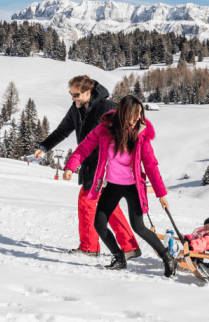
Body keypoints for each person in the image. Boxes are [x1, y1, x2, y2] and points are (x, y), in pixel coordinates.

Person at [62, 95, 176, 276]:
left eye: (140, 113)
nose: (138, 117)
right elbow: (84, 148)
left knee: (138, 227)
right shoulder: (105, 129)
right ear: (124, 112)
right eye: (135, 113)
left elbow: (151, 165)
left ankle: (168, 258)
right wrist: (70, 167)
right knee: (99, 224)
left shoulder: (141, 135)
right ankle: (119, 258)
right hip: (113, 185)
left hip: (133, 187)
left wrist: (161, 194)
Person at [34, 76, 140, 258]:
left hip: (105, 165)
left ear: (88, 93)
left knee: (87, 203)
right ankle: (129, 246)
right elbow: (62, 130)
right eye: (71, 94)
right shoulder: (76, 109)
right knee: (109, 206)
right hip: (90, 164)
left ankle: (90, 247)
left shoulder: (107, 107)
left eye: (75, 95)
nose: (72, 98)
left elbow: (130, 125)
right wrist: (44, 146)